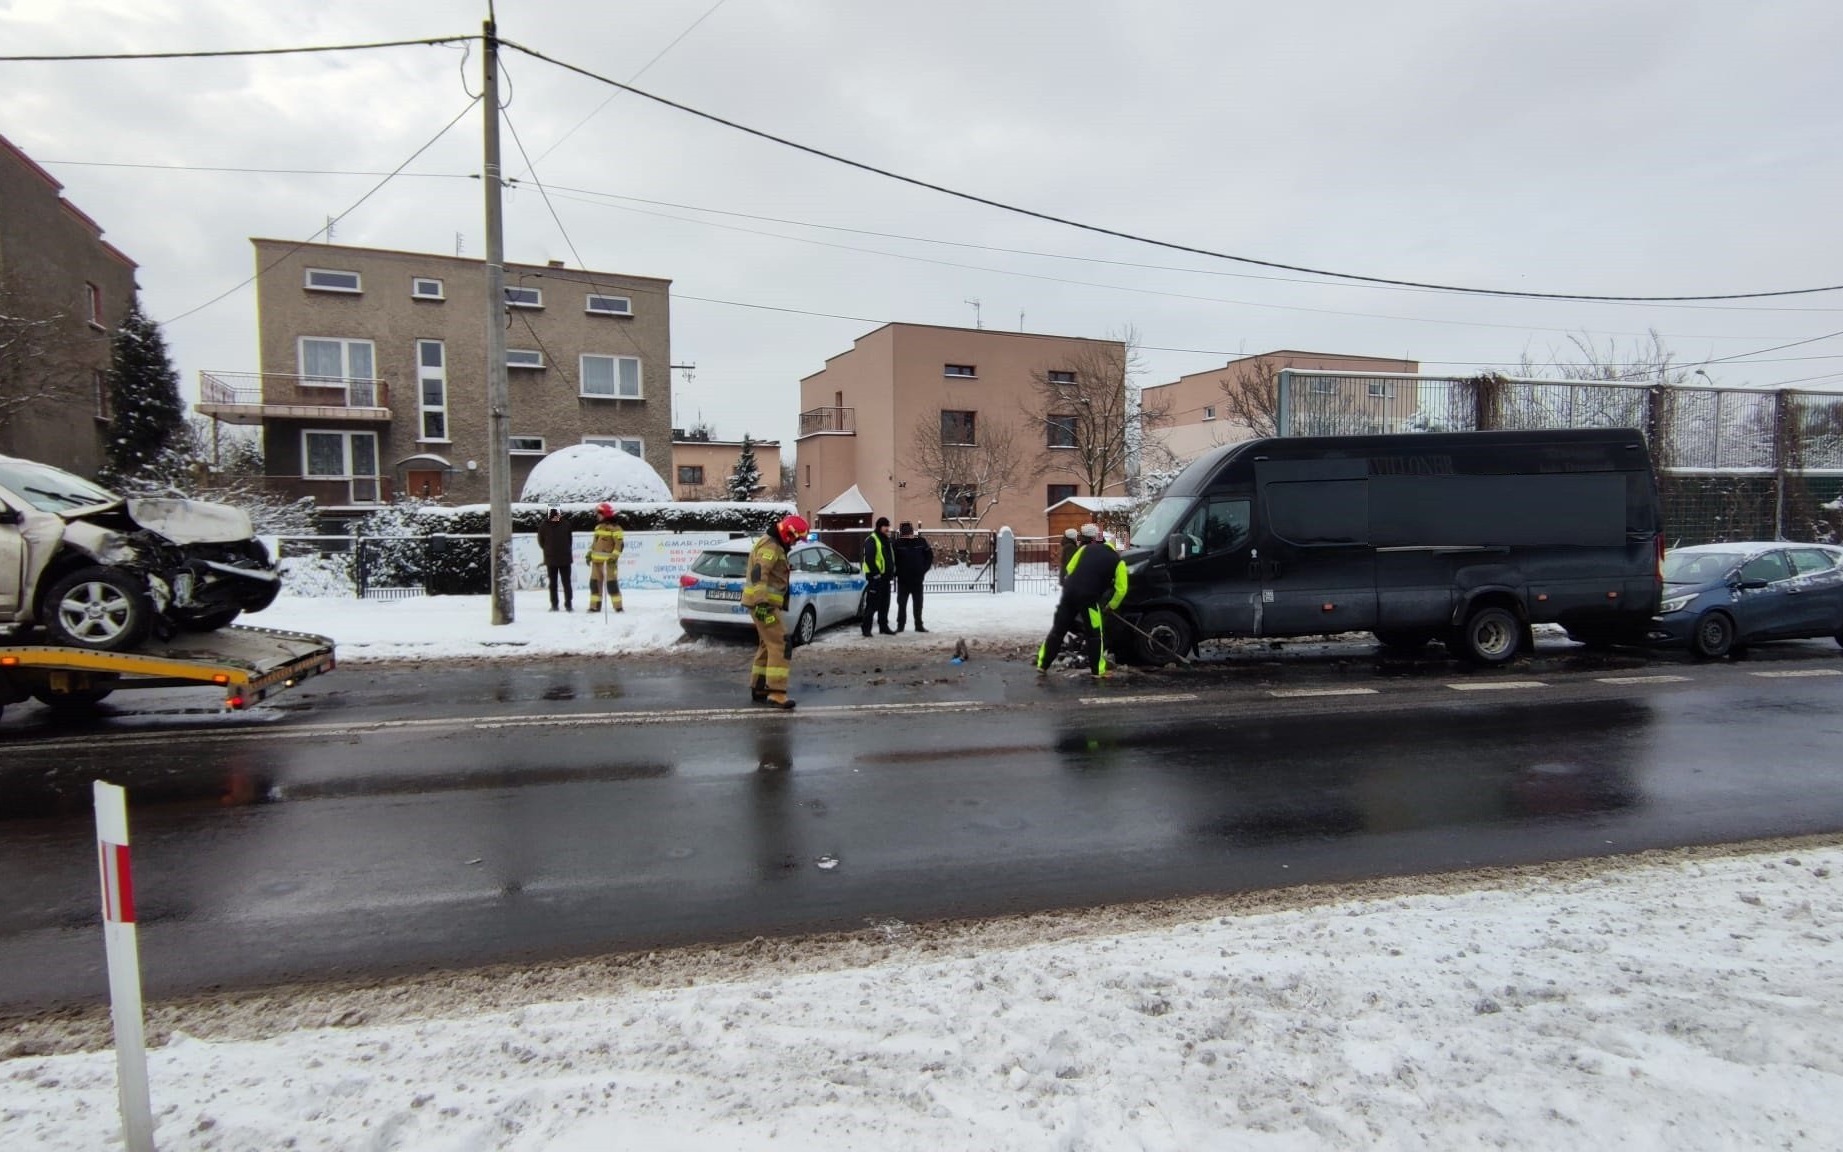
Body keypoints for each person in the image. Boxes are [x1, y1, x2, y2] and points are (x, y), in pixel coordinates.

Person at [1036, 523, 1129, 679]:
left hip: (1069, 594)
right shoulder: (1118, 562)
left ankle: (1042, 664)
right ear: (1120, 547)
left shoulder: (1086, 549)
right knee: (1095, 634)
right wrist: (1111, 606)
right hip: (1089, 599)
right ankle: (1098, 671)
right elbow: (1122, 589)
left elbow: (1071, 568)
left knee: (1058, 631)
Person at [743, 514, 808, 710]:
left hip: (763, 604)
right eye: (796, 539)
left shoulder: (773, 544)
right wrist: (762, 602)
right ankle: (777, 693)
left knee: (767, 644)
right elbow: (758, 574)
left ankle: (760, 686)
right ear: (789, 534)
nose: (795, 543)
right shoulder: (771, 546)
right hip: (764, 604)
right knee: (781, 643)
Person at [892, 521, 933, 633]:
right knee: (902, 604)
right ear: (901, 533)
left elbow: (929, 556)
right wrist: (896, 572)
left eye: (909, 533)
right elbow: (892, 560)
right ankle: (900, 626)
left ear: (912, 532)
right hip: (903, 581)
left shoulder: (920, 542)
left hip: (917, 580)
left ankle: (919, 625)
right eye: (905, 533)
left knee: (918, 604)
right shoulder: (897, 544)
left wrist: (923, 569)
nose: (907, 535)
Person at [860, 515, 895, 636]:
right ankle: (866, 629)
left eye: (888, 526)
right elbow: (869, 558)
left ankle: (883, 627)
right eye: (886, 526)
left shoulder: (886, 540)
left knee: (884, 605)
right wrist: (876, 574)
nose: (888, 529)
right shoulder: (872, 540)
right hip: (876, 578)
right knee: (872, 605)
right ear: (880, 527)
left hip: (885, 578)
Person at [586, 502, 624, 613]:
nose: (597, 516)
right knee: (594, 585)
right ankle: (594, 606)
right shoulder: (598, 527)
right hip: (596, 562)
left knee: (611, 585)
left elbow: (619, 545)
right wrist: (590, 554)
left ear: (605, 514)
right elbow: (595, 544)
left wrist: (614, 557)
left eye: (599, 514)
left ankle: (618, 607)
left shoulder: (616, 529)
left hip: (609, 563)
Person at [537, 506, 574, 612]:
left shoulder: (544, 526)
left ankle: (563, 604)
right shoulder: (566, 524)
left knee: (560, 583)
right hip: (561, 558)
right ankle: (561, 604)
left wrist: (548, 549)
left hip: (554, 558)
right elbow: (570, 540)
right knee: (560, 583)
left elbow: (541, 542)